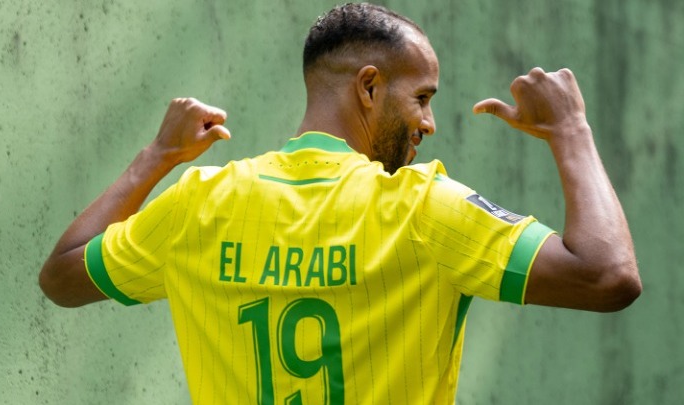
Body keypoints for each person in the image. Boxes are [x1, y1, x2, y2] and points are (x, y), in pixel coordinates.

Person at [39, 3, 641, 404]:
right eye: (422, 97)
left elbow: (62, 275)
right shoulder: (424, 211)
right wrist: (571, 130)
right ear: (369, 87)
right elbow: (608, 275)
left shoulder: (198, 205)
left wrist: (156, 157)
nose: (429, 123)